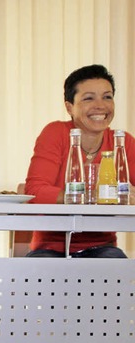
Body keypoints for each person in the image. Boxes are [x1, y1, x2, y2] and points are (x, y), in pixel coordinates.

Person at [25, 64, 135, 258]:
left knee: (116, 266)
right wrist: (94, 195)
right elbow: (35, 191)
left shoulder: (122, 141)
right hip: (51, 247)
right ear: (69, 107)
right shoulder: (55, 133)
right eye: (89, 98)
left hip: (102, 247)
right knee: (40, 271)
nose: (100, 105)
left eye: (107, 97)